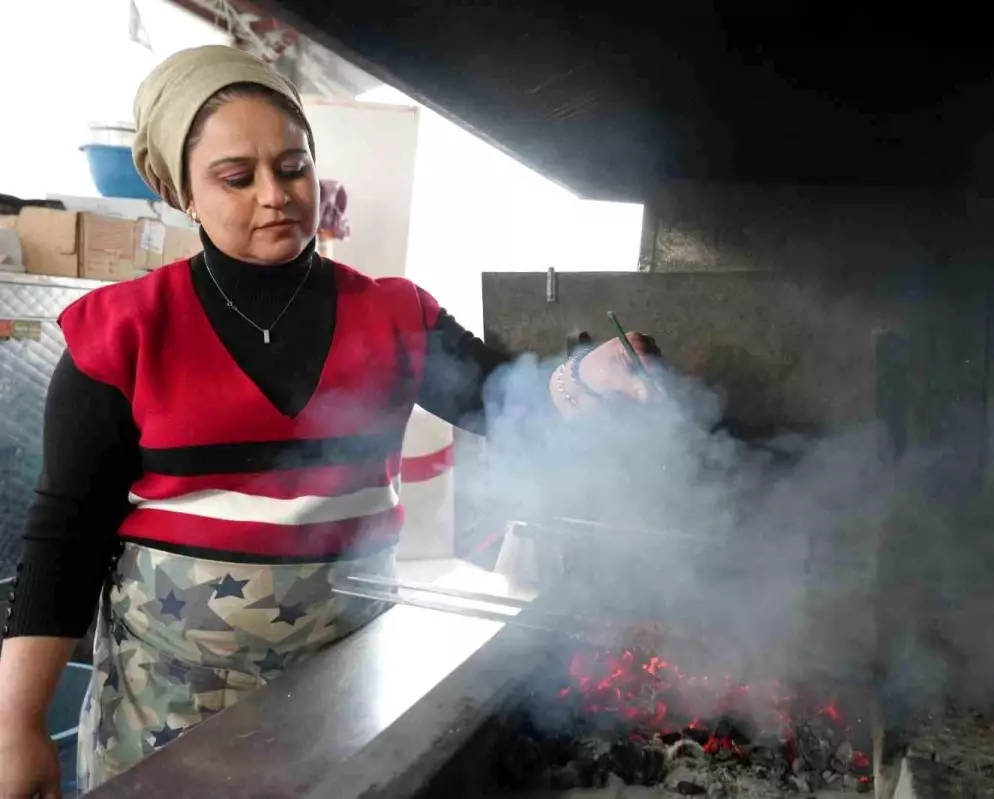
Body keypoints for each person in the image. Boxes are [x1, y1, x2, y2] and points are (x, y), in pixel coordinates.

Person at [0, 45, 654, 797]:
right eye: (236, 177)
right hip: (166, 716)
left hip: (343, 698)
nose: (275, 194)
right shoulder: (122, 333)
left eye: (294, 166)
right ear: (179, 190)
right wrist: (15, 722)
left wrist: (584, 378)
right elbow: (63, 538)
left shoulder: (394, 314)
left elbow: (509, 403)